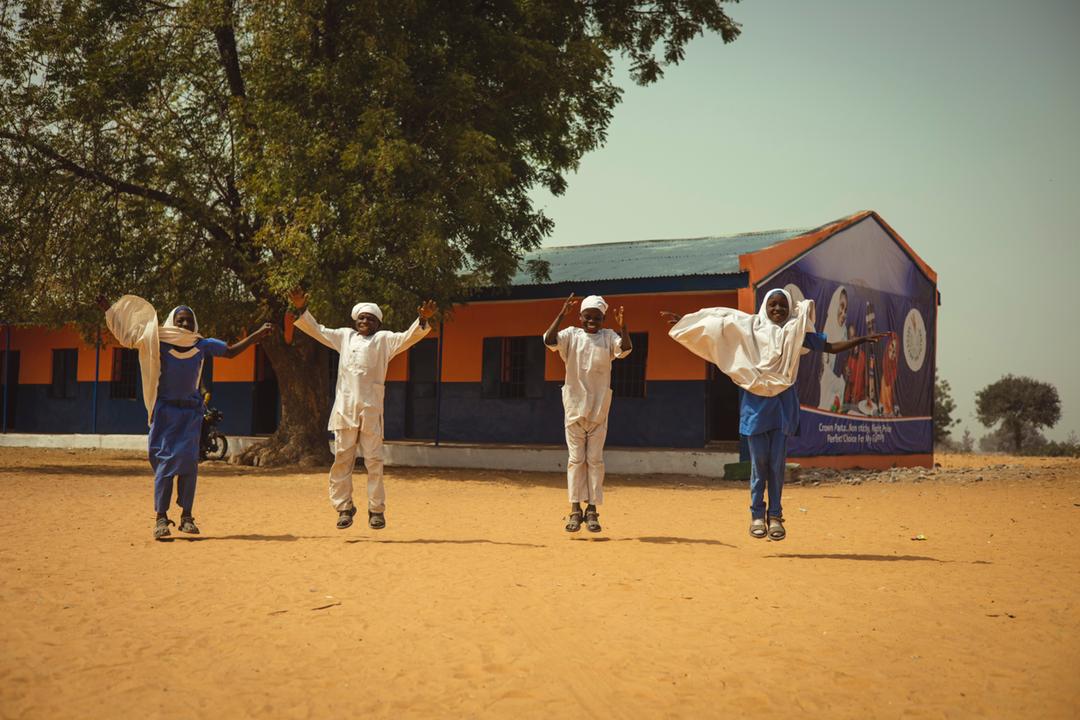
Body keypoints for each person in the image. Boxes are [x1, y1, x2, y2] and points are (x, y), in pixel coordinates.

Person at [662, 289, 883, 541]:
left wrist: (861, 340)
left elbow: (829, 347)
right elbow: (716, 325)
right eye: (773, 305)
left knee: (777, 466)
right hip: (756, 407)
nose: (777, 310)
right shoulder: (749, 329)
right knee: (760, 465)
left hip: (781, 407)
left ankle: (776, 516)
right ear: (765, 307)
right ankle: (757, 515)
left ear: (789, 309)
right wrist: (685, 322)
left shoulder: (794, 333)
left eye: (782, 306)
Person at [100, 295, 273, 539]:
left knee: (189, 465)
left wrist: (256, 335)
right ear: (172, 321)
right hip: (164, 412)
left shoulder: (201, 345)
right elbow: (129, 336)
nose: (184, 326)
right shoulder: (157, 341)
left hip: (191, 413)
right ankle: (161, 518)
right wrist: (111, 311)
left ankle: (187, 517)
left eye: (188, 322)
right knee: (165, 465)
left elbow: (232, 352)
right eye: (180, 321)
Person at [288, 289, 436, 530]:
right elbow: (319, 330)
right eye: (361, 318)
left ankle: (376, 510)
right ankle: (344, 507)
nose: (365, 322)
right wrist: (302, 309)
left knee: (374, 461)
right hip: (345, 409)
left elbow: (409, 336)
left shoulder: (385, 340)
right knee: (342, 458)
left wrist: (422, 320)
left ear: (378, 323)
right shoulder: (344, 337)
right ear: (354, 321)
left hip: (371, 410)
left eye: (370, 319)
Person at [543, 294, 631, 533]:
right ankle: (574, 509)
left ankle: (592, 510)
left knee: (594, 460)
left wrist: (623, 327)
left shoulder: (609, 336)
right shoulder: (571, 334)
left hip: (599, 409)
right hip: (574, 407)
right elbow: (550, 341)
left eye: (597, 317)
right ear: (580, 317)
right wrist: (561, 314)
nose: (592, 321)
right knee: (575, 460)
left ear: (603, 319)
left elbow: (625, 349)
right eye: (588, 316)